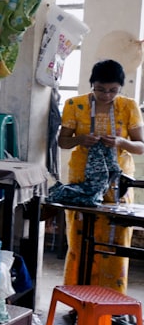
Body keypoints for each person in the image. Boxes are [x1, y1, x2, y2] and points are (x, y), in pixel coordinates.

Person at [58, 59, 144, 292]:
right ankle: (78, 296)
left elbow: (140, 146)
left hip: (118, 183)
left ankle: (111, 300)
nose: (106, 95)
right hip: (82, 183)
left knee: (116, 240)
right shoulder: (75, 104)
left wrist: (121, 142)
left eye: (113, 90)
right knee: (79, 239)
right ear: (92, 85)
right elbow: (62, 141)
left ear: (120, 88)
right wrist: (80, 139)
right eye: (100, 89)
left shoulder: (129, 107)